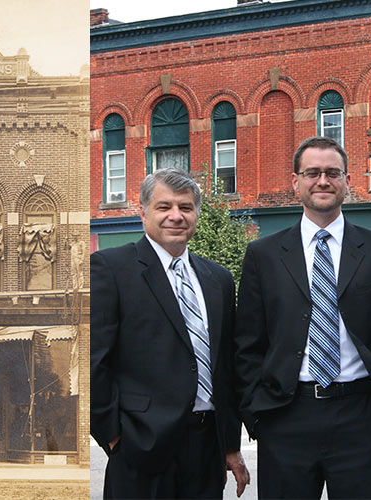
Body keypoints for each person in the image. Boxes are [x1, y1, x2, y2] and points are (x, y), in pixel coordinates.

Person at [235, 136, 371, 499]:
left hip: (361, 415)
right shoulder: (263, 255)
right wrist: (259, 414)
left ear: (347, 180)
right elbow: (247, 345)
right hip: (286, 415)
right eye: (313, 172)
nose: (323, 181)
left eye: (333, 173)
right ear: (295, 181)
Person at [91, 168, 250, 499]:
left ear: (197, 214)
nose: (176, 216)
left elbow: (226, 368)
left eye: (186, 207)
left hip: (207, 448)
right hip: (141, 447)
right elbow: (92, 361)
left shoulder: (217, 278)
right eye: (164, 207)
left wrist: (229, 444)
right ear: (143, 212)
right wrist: (113, 436)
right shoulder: (110, 269)